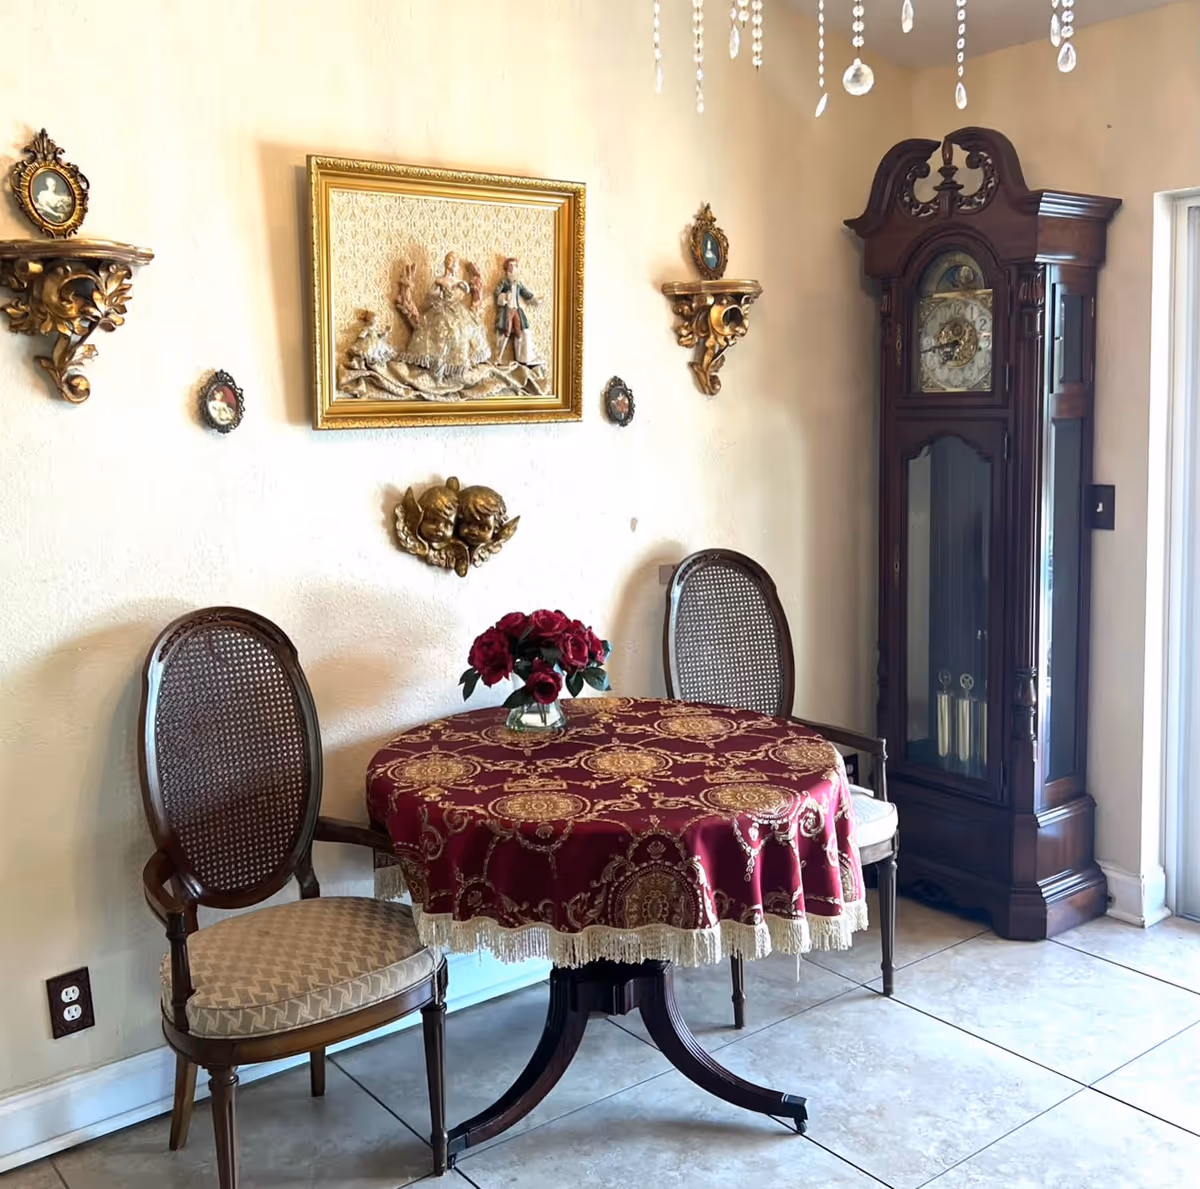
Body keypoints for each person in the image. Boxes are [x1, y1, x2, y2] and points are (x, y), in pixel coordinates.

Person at [396, 252, 490, 382]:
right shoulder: (440, 280)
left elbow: (467, 289)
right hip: (441, 308)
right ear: (450, 264)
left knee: (463, 329)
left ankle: (458, 366)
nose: (456, 267)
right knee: (443, 330)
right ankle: (440, 367)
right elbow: (430, 294)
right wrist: (442, 291)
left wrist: (459, 285)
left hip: (456, 308)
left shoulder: (457, 280)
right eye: (455, 264)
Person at [494, 257, 540, 365]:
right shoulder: (504, 281)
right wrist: (504, 296)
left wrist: (535, 299)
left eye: (515, 266)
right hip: (507, 310)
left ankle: (520, 357)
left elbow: (525, 293)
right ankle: (498, 357)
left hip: (516, 309)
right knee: (507, 331)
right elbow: (496, 292)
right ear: (506, 268)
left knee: (519, 331)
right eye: (510, 266)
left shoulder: (518, 283)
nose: (513, 268)